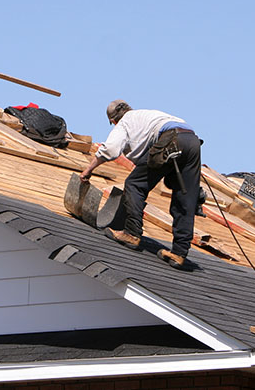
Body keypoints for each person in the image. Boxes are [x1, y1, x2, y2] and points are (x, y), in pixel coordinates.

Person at [80, 100, 202, 269]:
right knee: (185, 195)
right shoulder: (146, 116)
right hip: (192, 141)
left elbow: (111, 149)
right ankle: (179, 253)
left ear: (114, 120)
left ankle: (131, 233)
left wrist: (89, 169)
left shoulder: (125, 122)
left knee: (135, 184)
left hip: (171, 140)